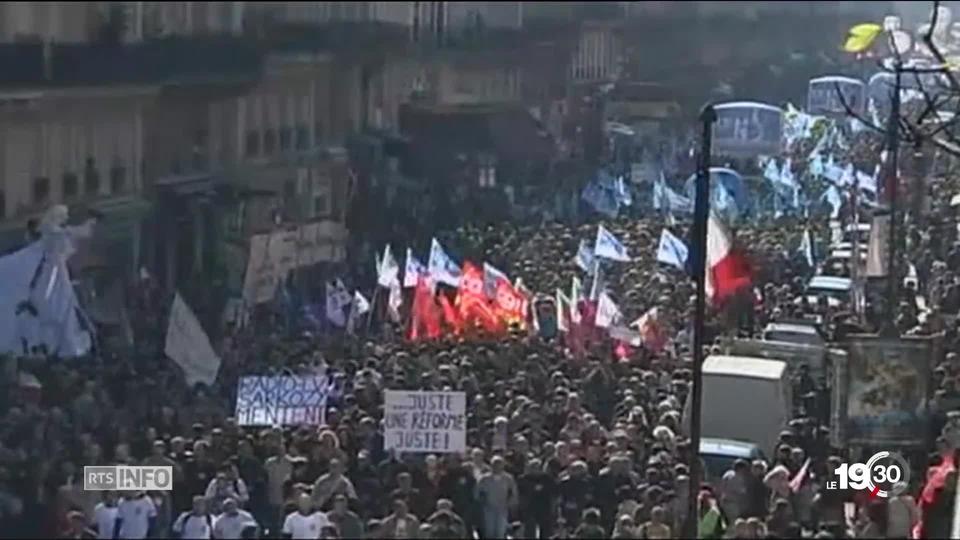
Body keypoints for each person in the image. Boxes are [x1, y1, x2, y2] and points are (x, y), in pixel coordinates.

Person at [476, 455, 518, 539]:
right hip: (488, 509)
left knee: (500, 532)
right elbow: (477, 493)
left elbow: (514, 493)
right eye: (495, 464)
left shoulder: (508, 478)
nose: (497, 466)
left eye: (499, 464)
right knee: (489, 531)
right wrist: (482, 503)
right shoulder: (484, 479)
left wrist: (509, 504)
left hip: (502, 509)